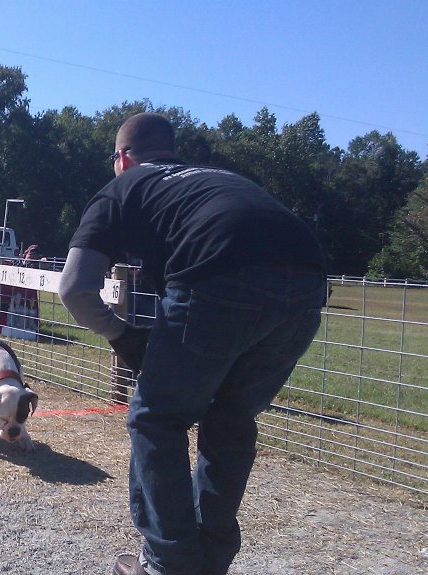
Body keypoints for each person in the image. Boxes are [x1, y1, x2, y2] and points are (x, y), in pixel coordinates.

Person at [58, 113, 326, 575]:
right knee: (231, 418)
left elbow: (74, 288)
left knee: (155, 417)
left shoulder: (123, 187)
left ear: (122, 158)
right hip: (308, 283)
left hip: (216, 272)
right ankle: (211, 560)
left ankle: (169, 563)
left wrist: (122, 336)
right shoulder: (218, 179)